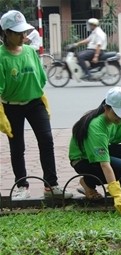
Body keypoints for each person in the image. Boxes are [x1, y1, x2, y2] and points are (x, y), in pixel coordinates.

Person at [0, 10, 72, 199]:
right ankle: (21, 186)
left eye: (24, 32)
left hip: (35, 103)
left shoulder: (31, 52)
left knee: (46, 141)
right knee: (17, 147)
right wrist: (1, 114)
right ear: (6, 33)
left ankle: (51, 185)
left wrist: (42, 99)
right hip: (11, 106)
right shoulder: (1, 57)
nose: (23, 36)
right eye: (17, 33)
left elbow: (40, 80)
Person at [69, 87, 121, 215]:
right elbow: (104, 164)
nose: (119, 119)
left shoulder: (117, 119)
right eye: (117, 114)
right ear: (106, 108)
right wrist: (116, 194)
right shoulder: (96, 126)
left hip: (99, 152)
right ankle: (88, 183)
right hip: (83, 159)